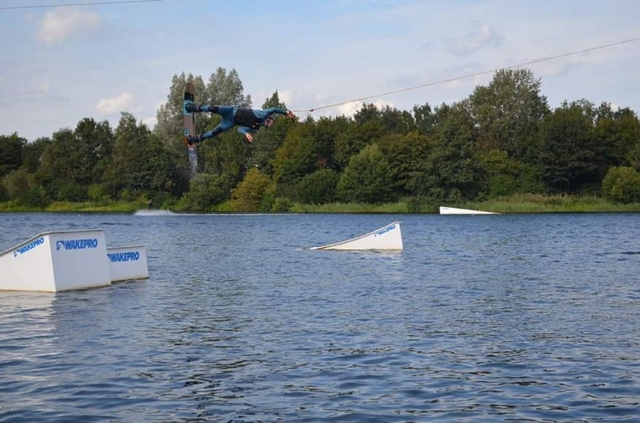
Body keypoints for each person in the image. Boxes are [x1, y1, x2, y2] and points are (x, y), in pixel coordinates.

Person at [184, 102, 295, 145]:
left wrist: (246, 134)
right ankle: (194, 108)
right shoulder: (263, 114)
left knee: (215, 132)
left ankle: (195, 139)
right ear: (268, 120)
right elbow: (275, 109)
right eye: (272, 122)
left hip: (231, 122)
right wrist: (286, 113)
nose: (272, 124)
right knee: (213, 108)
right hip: (231, 111)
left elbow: (240, 129)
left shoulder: (255, 127)